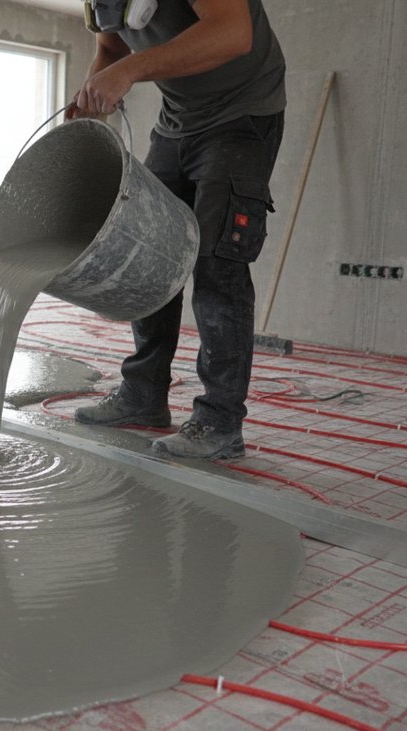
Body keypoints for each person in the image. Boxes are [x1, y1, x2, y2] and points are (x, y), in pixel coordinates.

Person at [69, 0, 286, 460]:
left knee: (216, 265)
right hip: (177, 124)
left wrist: (128, 72)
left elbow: (233, 33)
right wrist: (96, 91)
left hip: (241, 116)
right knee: (148, 251)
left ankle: (219, 422)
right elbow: (110, 47)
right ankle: (144, 394)